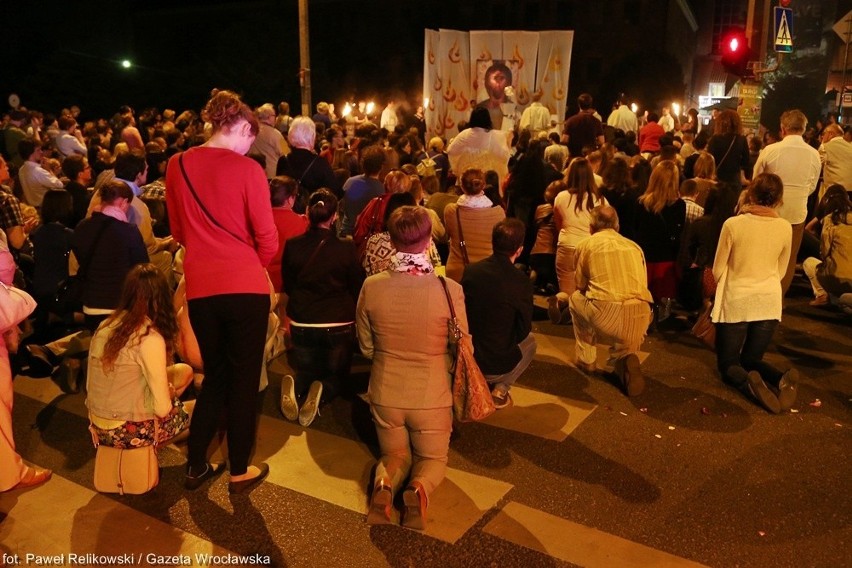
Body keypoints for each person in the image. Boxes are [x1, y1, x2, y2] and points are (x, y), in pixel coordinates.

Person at [165, 90, 278, 494]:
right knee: (244, 380)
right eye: (252, 137)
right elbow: (268, 237)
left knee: (214, 375)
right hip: (245, 285)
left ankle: (196, 465)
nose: (250, 146)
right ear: (244, 128)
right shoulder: (247, 171)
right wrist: (254, 259)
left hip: (201, 285)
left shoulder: (176, 164)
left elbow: (178, 230)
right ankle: (239, 469)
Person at [357, 205, 466, 529]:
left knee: (394, 456)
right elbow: (463, 346)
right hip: (432, 393)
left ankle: (384, 483)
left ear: (391, 240)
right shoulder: (450, 291)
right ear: (429, 239)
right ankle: (419, 489)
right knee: (432, 460)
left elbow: (365, 345)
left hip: (386, 389)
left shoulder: (372, 286)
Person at [711, 173, 797, 414]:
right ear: (779, 199)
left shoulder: (733, 224)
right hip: (769, 300)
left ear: (751, 193)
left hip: (737, 298)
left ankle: (751, 384)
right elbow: (781, 269)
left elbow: (718, 269)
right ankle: (781, 378)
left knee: (728, 363)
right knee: (752, 359)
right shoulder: (784, 227)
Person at [86, 264, 194, 449]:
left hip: (97, 423)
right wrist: (168, 394)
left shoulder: (106, 325)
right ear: (161, 299)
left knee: (183, 372)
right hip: (126, 431)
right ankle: (150, 444)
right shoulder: (149, 337)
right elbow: (162, 408)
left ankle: (152, 441)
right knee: (202, 410)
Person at [281, 190, 364, 427]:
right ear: (335, 216)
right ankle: (324, 390)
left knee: (307, 368)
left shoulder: (293, 246)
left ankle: (299, 384)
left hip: (302, 321)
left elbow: (288, 283)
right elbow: (356, 284)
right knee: (338, 374)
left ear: (307, 212)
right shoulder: (346, 248)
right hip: (338, 323)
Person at [568, 205, 653, 395]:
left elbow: (580, 285)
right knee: (627, 331)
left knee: (575, 299)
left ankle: (587, 360)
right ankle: (625, 357)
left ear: (591, 227)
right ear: (617, 226)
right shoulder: (635, 247)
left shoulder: (586, 245)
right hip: (641, 314)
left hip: (607, 314)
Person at [462, 218, 536, 408]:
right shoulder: (521, 281)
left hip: (468, 354)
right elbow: (523, 328)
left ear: (493, 243)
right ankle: (501, 388)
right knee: (531, 342)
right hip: (496, 362)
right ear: (519, 249)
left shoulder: (471, 271)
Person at [752, 109, 821, 296]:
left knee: (764, 254)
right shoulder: (814, 154)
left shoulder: (770, 150)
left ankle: (759, 294)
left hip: (769, 211)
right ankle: (777, 298)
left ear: (783, 129)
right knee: (788, 259)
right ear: (804, 129)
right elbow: (812, 186)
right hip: (797, 213)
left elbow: (756, 180)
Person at [73, 180, 149, 332]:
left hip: (90, 305)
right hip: (120, 306)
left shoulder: (82, 227)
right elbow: (142, 267)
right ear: (123, 202)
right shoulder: (129, 231)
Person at [549, 157, 608, 323]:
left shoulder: (560, 197)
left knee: (566, 288)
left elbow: (559, 224)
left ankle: (560, 300)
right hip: (589, 247)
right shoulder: (600, 200)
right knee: (585, 288)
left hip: (566, 244)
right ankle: (576, 310)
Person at [633, 161, 686, 322]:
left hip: (645, 258)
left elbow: (637, 231)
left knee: (643, 298)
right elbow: (678, 233)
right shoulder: (679, 205)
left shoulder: (642, 203)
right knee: (663, 301)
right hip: (666, 260)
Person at [443, 168, 506, 282]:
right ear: (483, 185)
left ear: (461, 186)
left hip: (458, 271)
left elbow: (449, 233)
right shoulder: (499, 213)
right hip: (487, 273)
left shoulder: (451, 211)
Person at [802, 186, 852, 306]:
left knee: (809, 263)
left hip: (837, 279)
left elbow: (824, 253)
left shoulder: (830, 220)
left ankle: (822, 295)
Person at [446, 107, 511, 188]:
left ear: (472, 118)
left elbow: (450, 151)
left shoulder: (465, 134)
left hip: (467, 180)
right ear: (488, 119)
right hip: (486, 181)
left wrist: (465, 157)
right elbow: (503, 156)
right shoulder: (493, 136)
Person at [706, 110, 749, 186]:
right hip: (734, 179)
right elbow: (746, 161)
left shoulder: (715, 139)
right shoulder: (741, 139)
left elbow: (709, 159)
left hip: (717, 178)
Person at [564, 93, 604, 158]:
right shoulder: (597, 121)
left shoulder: (571, 120)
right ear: (590, 105)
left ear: (579, 105)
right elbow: (601, 141)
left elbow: (564, 140)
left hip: (575, 156)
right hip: (591, 156)